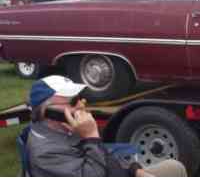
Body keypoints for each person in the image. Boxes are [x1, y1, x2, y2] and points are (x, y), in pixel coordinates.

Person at [26, 75, 187, 177]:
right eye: (73, 102)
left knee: (174, 167)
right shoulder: (45, 153)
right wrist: (91, 137)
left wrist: (134, 170)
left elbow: (103, 155)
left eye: (80, 99)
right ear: (49, 112)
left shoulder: (64, 129)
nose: (81, 106)